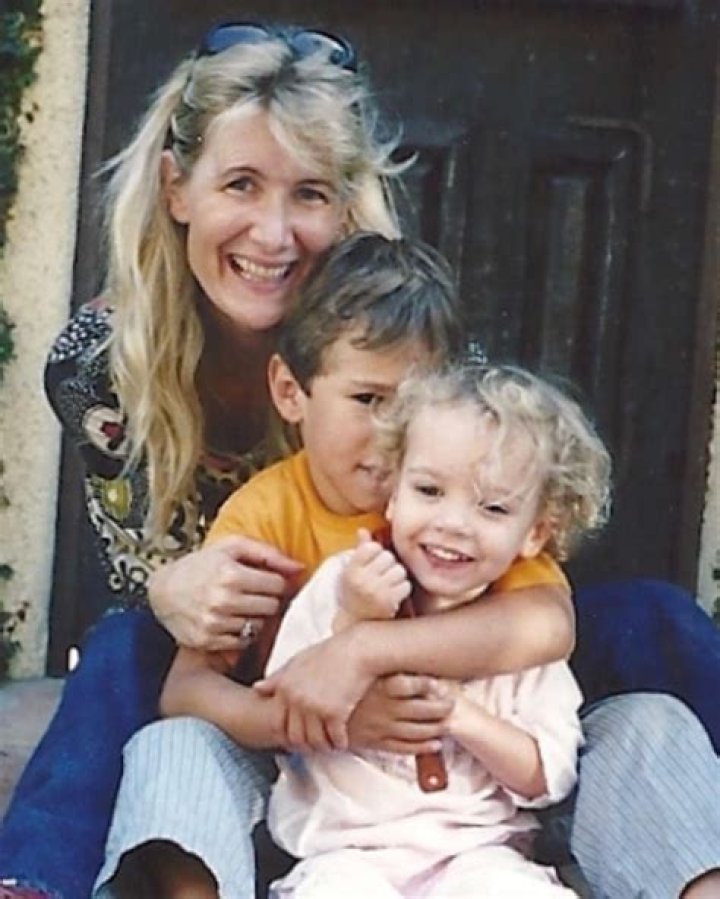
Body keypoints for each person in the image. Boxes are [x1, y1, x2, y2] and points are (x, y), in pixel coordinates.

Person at [0, 18, 718, 899]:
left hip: (447, 637)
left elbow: (530, 600)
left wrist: (367, 654)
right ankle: (33, 881)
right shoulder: (97, 362)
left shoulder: (414, 344)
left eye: (308, 193)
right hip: (261, 670)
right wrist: (168, 589)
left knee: (656, 620)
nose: (273, 232)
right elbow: (160, 601)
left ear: (344, 208)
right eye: (240, 183)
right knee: (120, 647)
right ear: (176, 186)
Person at [102, 233, 572, 898]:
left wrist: (360, 653)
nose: (392, 432)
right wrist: (324, 722)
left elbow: (548, 625)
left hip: (461, 819)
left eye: (414, 406)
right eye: (369, 400)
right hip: (308, 795)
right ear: (290, 392)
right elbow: (188, 690)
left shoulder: (462, 522)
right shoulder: (267, 512)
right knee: (166, 742)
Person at [265, 360, 612, 898]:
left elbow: (545, 778)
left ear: (535, 533)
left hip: (477, 855)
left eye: (492, 507)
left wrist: (460, 715)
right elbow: (290, 710)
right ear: (393, 493)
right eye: (428, 490)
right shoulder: (343, 582)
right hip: (346, 853)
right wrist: (353, 619)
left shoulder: (515, 631)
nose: (453, 523)